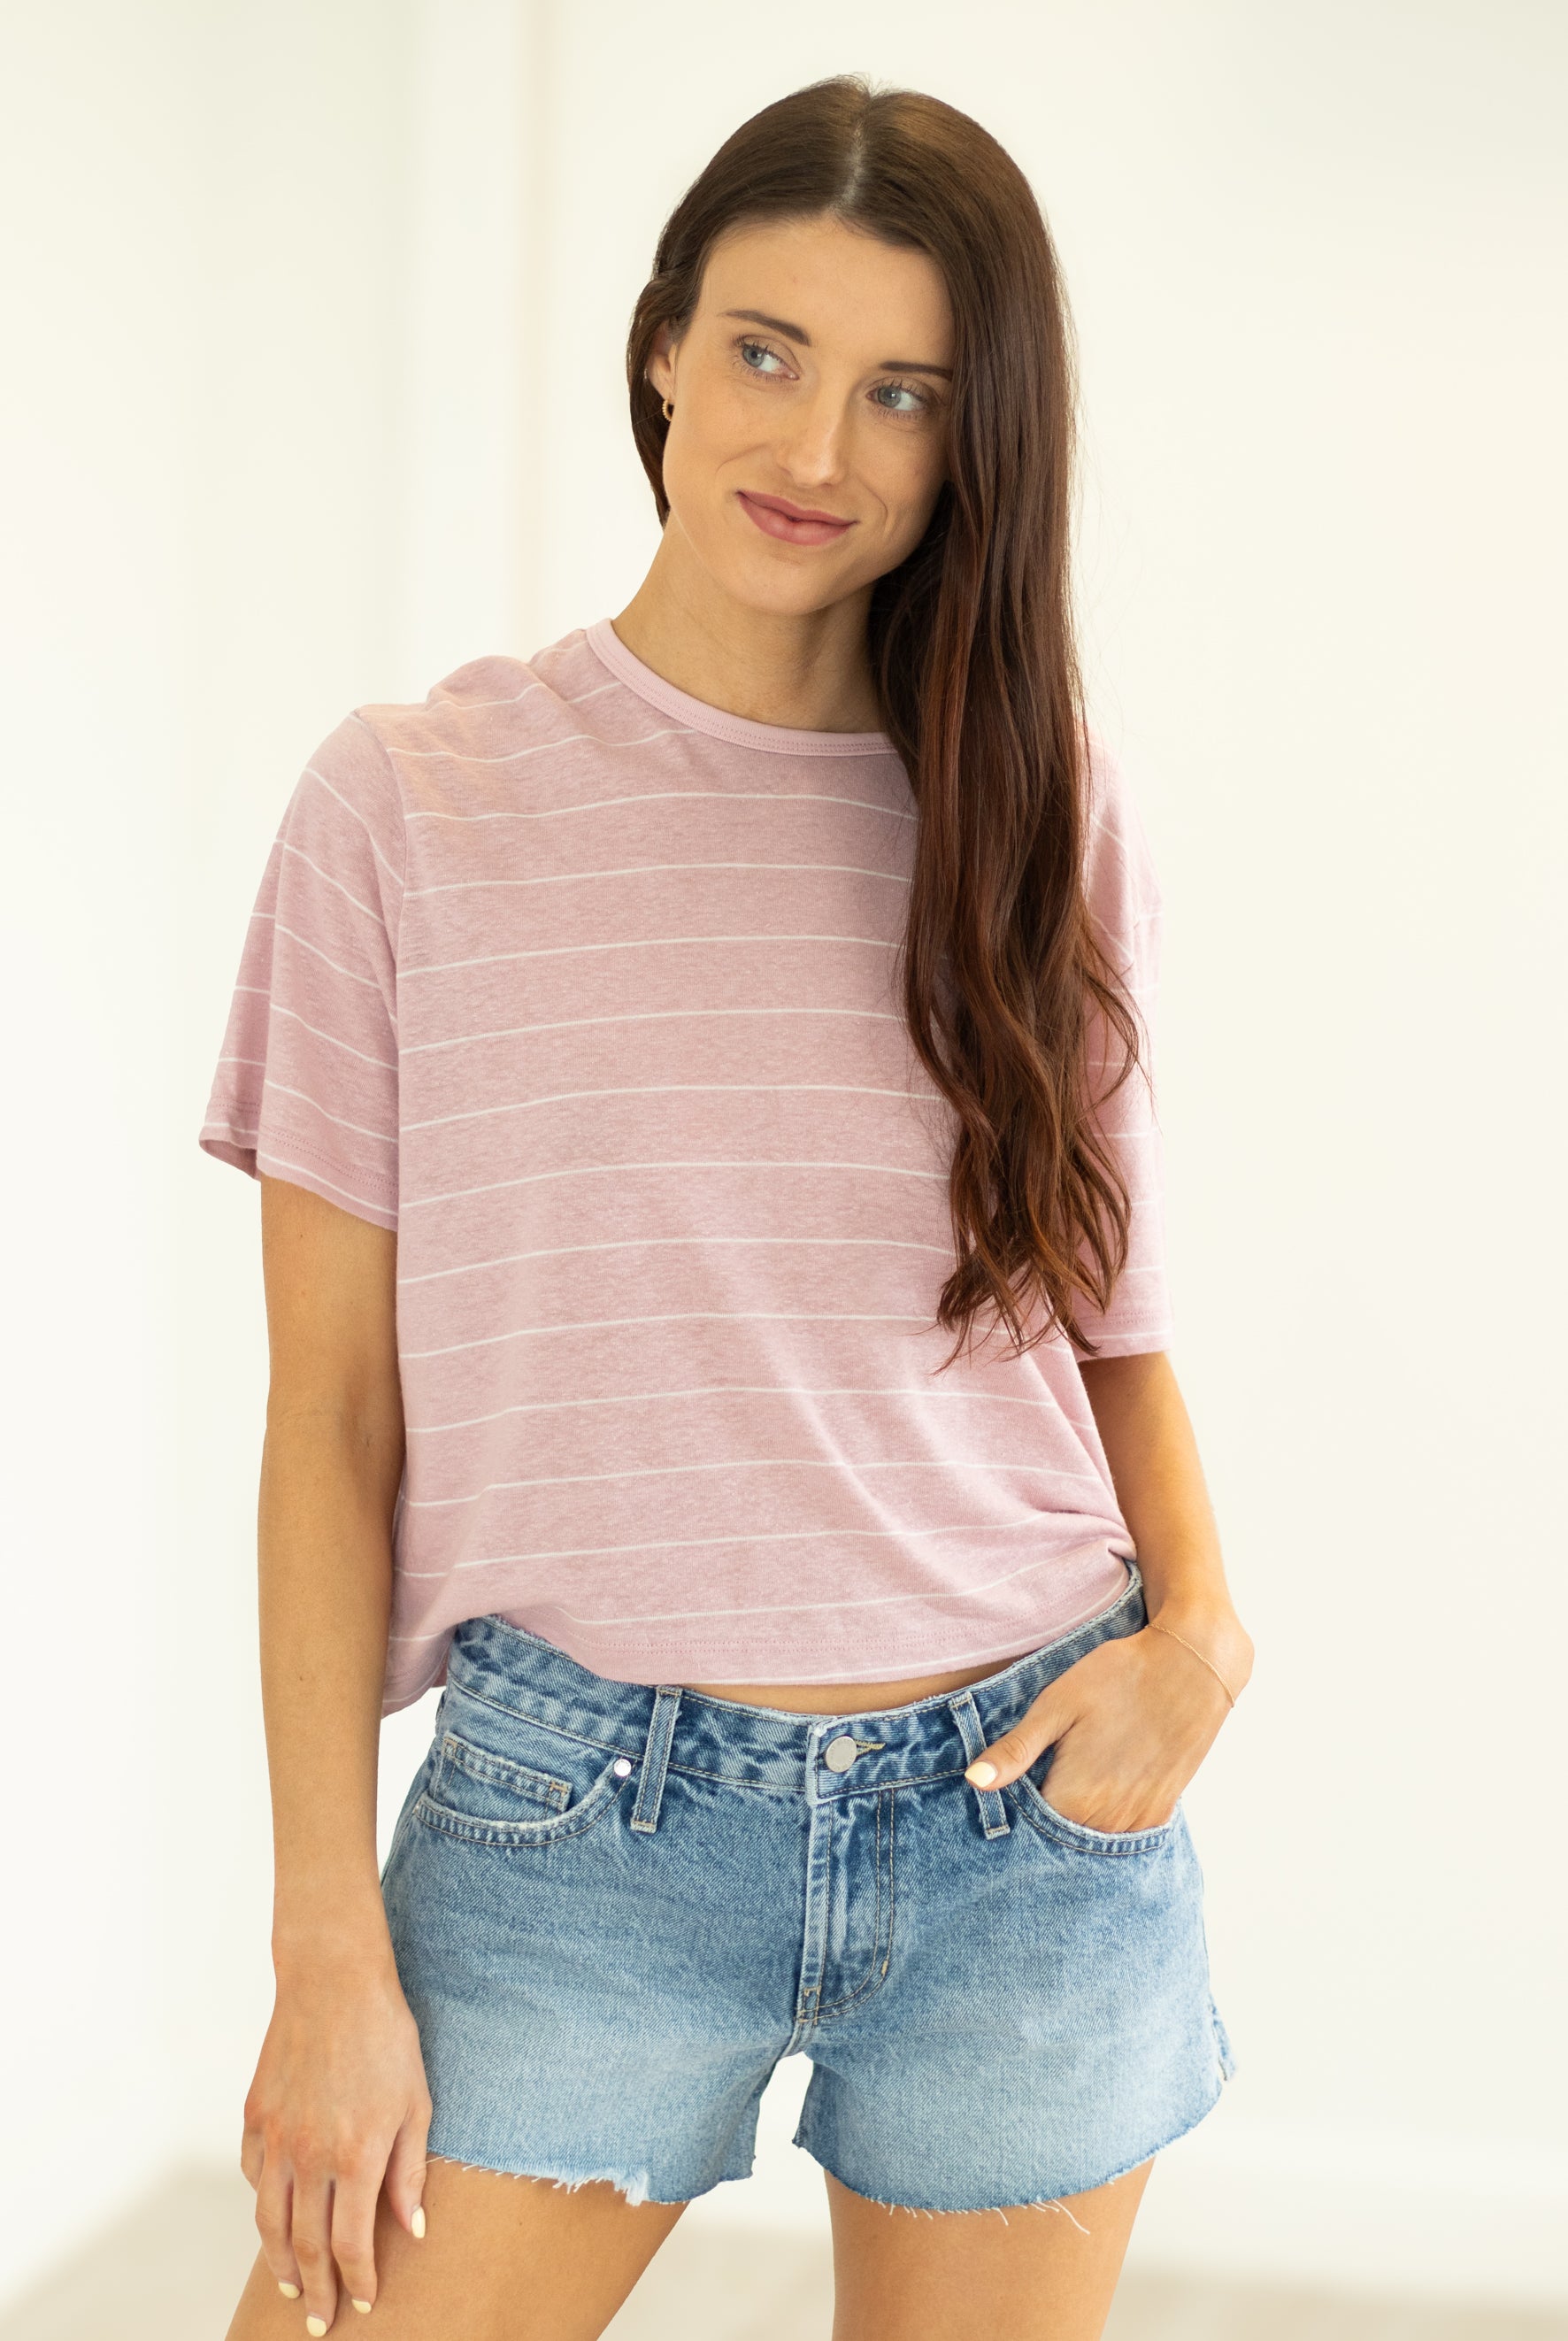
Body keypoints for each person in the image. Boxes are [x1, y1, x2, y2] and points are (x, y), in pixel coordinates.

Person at [204, 73, 1253, 2341]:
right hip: (578, 1823)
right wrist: (322, 1944)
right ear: (664, 343)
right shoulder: (409, 803)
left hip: (1019, 1809)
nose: (821, 447)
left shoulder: (1032, 803)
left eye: (906, 395)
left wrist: (1205, 1636)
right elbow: (330, 1424)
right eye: (769, 352)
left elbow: (1109, 1311)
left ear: (975, 443)